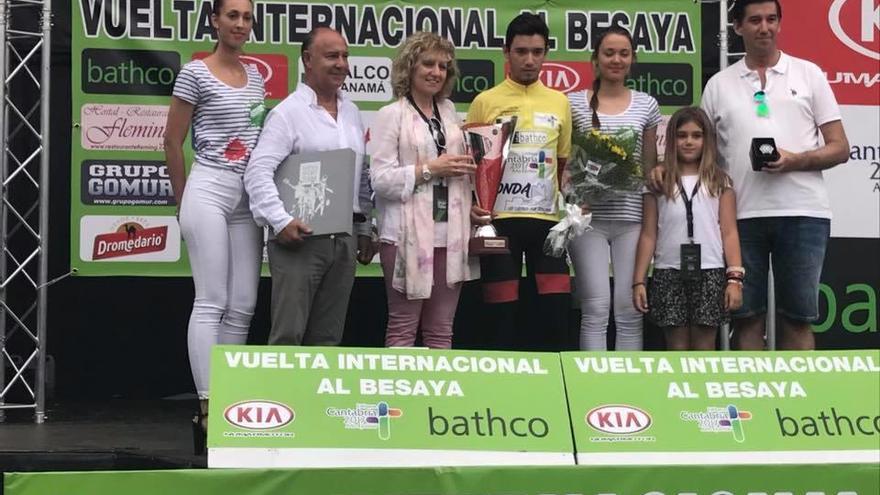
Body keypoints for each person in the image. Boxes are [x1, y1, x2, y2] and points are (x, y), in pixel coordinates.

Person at [652, 0, 850, 350]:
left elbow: (840, 147)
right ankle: (753, 401)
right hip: (740, 215)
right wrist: (663, 166)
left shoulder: (809, 74)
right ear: (737, 27)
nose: (764, 27)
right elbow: (697, 147)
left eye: (771, 19)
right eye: (755, 20)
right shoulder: (719, 84)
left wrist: (795, 160)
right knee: (746, 318)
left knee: (798, 318)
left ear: (779, 24)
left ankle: (798, 399)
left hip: (803, 213)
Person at [164, 0, 263, 453]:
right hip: (208, 187)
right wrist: (183, 198)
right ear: (214, 21)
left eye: (246, 17)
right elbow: (172, 139)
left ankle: (230, 404)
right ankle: (207, 406)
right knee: (212, 300)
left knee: (243, 304)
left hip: (247, 197)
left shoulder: (258, 77)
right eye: (232, 16)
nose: (240, 24)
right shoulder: (195, 72)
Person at [243, 27, 375, 346]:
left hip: (343, 240)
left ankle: (316, 398)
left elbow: (360, 173)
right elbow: (257, 172)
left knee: (328, 339)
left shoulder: (353, 112)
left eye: (345, 56)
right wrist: (281, 221)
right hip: (300, 240)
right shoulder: (288, 113)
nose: (341, 63)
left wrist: (366, 229)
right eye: (331, 56)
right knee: (288, 336)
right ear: (307, 60)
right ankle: (281, 398)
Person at [466, 13, 572, 351]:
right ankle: (500, 390)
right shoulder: (485, 101)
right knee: (501, 310)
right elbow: (474, 165)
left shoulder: (561, 102)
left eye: (537, 52)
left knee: (555, 311)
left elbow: (564, 162)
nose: (529, 59)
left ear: (545, 53)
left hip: (547, 222)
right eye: (521, 51)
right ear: (506, 52)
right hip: (500, 221)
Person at [370, 33, 478, 349]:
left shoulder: (449, 113)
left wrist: (472, 207)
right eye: (428, 63)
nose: (436, 72)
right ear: (409, 67)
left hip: (451, 235)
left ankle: (438, 401)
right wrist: (431, 169)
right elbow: (380, 179)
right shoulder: (392, 114)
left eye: (443, 66)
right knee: (403, 329)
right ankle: (400, 398)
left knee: (441, 331)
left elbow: (457, 176)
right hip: (405, 236)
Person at [566, 26, 661, 351]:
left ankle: (627, 389)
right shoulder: (573, 104)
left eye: (624, 53)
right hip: (586, 220)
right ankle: (592, 389)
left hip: (631, 219)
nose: (616, 60)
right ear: (595, 59)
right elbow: (566, 164)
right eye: (609, 53)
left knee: (628, 309)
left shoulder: (647, 105)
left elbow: (649, 170)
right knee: (595, 308)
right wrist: (575, 197)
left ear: (632, 59)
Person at [632, 107, 743, 350]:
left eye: (696, 135)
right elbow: (649, 234)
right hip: (668, 271)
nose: (689, 142)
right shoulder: (658, 182)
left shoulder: (719, 180)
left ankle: (705, 388)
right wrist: (639, 281)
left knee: (704, 348)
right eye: (682, 136)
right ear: (671, 140)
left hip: (711, 270)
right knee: (676, 348)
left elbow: (729, 232)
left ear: (707, 140)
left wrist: (734, 279)